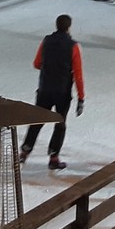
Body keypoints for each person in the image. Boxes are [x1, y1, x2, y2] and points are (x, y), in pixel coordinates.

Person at [21, 15, 86, 170]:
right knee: (60, 124)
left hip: (44, 89)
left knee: (37, 121)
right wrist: (81, 98)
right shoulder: (73, 46)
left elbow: (37, 63)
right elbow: (78, 74)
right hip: (62, 91)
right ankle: (54, 157)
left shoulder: (46, 41)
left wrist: (49, 68)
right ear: (69, 27)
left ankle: (25, 152)